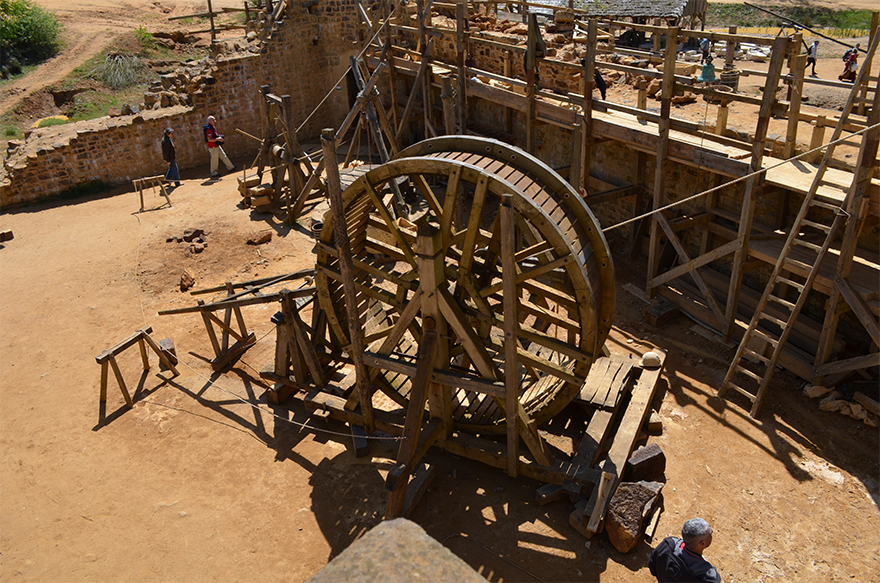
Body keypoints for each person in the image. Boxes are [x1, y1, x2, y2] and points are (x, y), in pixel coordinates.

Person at [649, 517, 721, 582]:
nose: (712, 531)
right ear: (702, 544)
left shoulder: (666, 545)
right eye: (710, 534)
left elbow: (652, 566)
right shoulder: (708, 575)